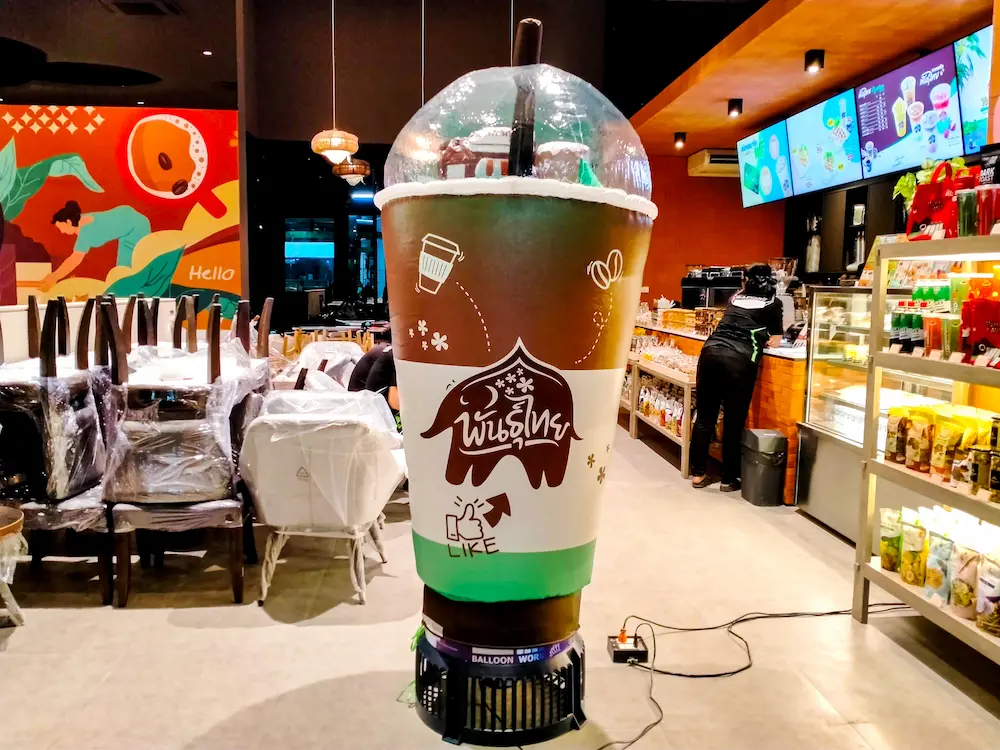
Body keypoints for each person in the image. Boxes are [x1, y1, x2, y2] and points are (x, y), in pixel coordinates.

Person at [689, 264, 784, 492]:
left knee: (705, 417)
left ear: (746, 281)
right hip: (739, 360)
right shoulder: (774, 303)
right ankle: (728, 478)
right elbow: (776, 340)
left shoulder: (735, 299)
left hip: (710, 353)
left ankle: (698, 474)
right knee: (733, 420)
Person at [42, 201, 151, 291]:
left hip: (135, 227)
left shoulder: (85, 231)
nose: (61, 231)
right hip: (126, 220)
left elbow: (74, 259)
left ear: (68, 222)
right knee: (122, 273)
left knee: (125, 273)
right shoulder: (80, 220)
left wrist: (54, 276)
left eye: (61, 227)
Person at [348, 328, 399, 422]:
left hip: (360, 400)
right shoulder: (392, 355)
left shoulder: (385, 349)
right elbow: (394, 402)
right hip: (364, 405)